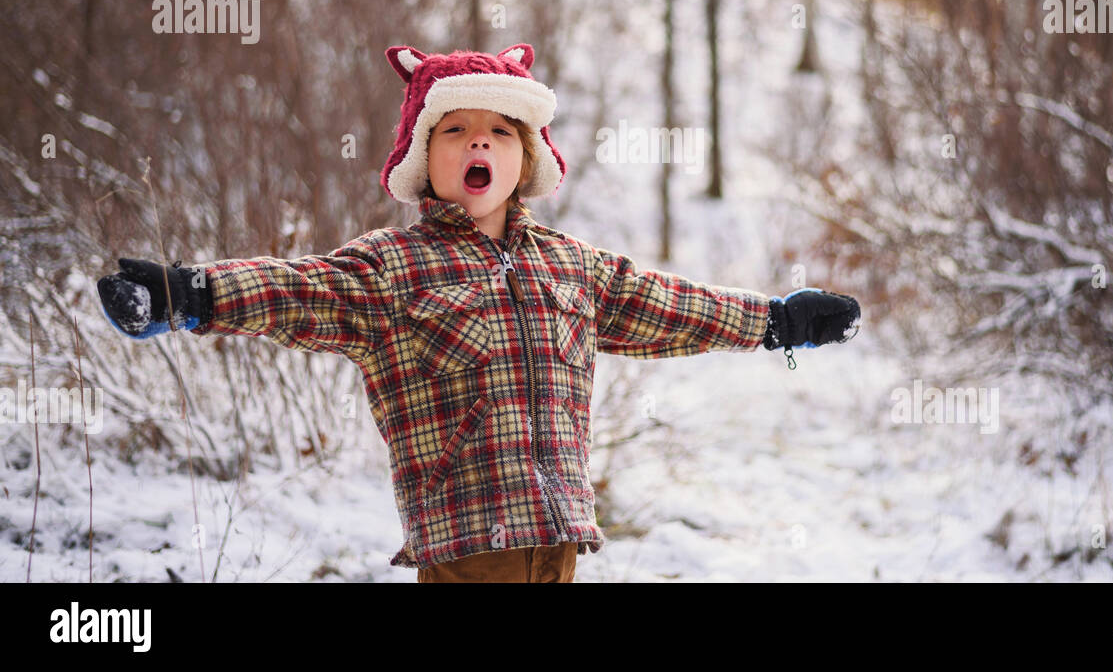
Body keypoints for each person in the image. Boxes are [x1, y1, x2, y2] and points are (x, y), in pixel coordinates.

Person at [97, 42, 860, 582]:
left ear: (525, 157)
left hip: (559, 545)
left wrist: (777, 320)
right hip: (465, 549)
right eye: (456, 130)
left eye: (498, 130)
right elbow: (298, 289)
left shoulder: (570, 265)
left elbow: (670, 306)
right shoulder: (392, 269)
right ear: (424, 158)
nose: (478, 143)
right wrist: (188, 295)